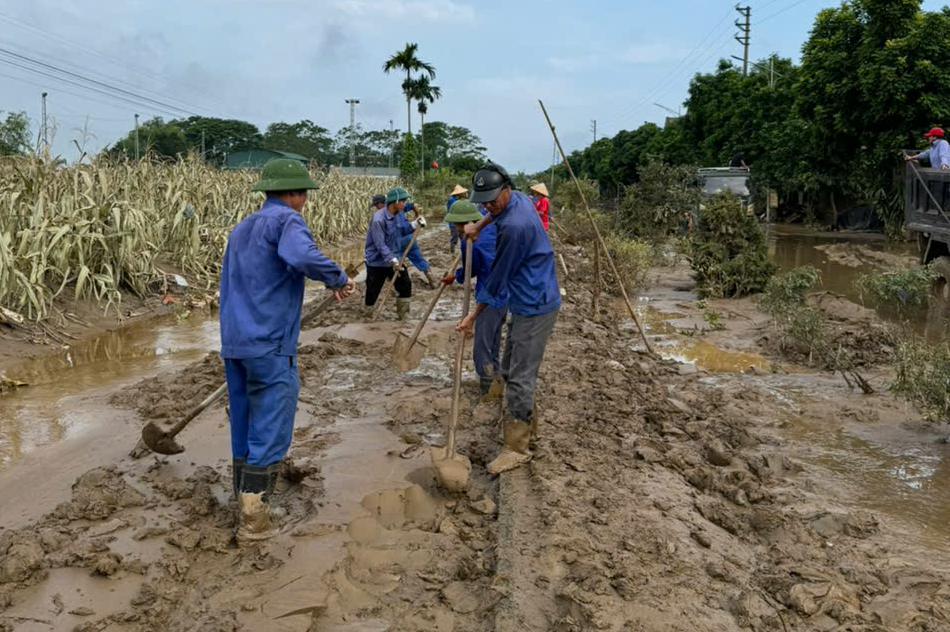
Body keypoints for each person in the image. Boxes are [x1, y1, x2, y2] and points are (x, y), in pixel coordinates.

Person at [220, 158, 356, 541]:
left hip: (235, 342)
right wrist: (338, 277)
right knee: (271, 421)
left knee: (244, 421)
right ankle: (255, 518)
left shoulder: (242, 227)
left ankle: (242, 497)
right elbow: (300, 256)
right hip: (269, 341)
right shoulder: (287, 221)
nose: (305, 202)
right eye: (304, 195)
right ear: (295, 194)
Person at [458, 163, 560, 474]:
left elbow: (497, 280)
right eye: (483, 201)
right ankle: (529, 427)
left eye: (492, 200)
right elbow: (497, 212)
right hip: (528, 296)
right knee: (510, 362)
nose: (488, 205)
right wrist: (481, 224)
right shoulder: (517, 197)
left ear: (506, 190)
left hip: (535, 302)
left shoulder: (515, 228)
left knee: (519, 376)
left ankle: (518, 447)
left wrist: (472, 316)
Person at [442, 199, 508, 395]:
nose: (454, 228)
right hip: (506, 294)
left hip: (490, 296)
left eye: (455, 224)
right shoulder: (494, 228)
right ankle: (496, 378)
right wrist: (456, 276)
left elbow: (477, 268)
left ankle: (488, 386)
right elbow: (473, 267)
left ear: (464, 223)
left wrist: (473, 313)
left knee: (481, 346)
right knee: (493, 341)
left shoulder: (472, 242)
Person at [364, 187, 425, 320]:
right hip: (377, 261)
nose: (404, 204)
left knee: (405, 284)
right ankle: (369, 314)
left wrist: (415, 224)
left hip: (395, 257)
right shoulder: (378, 220)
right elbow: (380, 245)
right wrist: (392, 259)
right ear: (394, 202)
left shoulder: (398, 214)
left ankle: (403, 315)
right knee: (373, 290)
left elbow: (401, 231)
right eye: (402, 201)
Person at [401, 201, 437, 288]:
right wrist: (417, 215)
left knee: (395, 261)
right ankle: (432, 280)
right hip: (409, 237)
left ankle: (391, 281)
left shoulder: (387, 212)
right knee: (419, 258)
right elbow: (414, 205)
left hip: (397, 240)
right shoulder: (399, 206)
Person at [446, 185, 468, 252]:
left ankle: (463, 250)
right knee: (454, 238)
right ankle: (452, 251)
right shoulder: (452, 200)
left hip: (459, 222)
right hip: (454, 223)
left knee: (463, 237)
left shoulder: (457, 199)